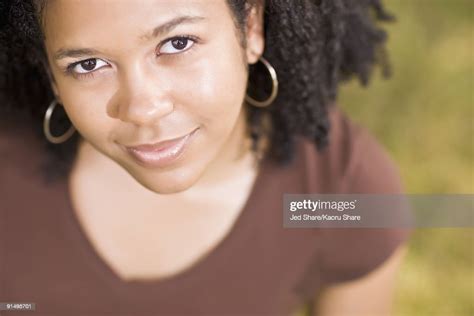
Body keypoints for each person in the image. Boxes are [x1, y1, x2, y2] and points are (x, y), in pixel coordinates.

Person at [0, 0, 410, 315]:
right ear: (52, 75)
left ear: (250, 27)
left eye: (177, 43)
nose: (142, 108)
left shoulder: (340, 193)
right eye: (89, 64)